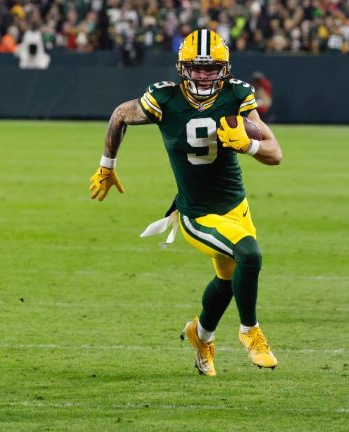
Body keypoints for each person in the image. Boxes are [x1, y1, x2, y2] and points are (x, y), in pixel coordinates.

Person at [89, 29, 282, 377]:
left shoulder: (237, 95)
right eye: (197, 68)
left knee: (228, 281)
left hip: (237, 207)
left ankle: (201, 335)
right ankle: (250, 331)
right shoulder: (165, 99)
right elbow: (120, 114)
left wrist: (248, 145)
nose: (205, 75)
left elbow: (275, 153)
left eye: (212, 68)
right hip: (197, 213)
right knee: (249, 254)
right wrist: (107, 165)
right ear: (183, 68)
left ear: (224, 68)